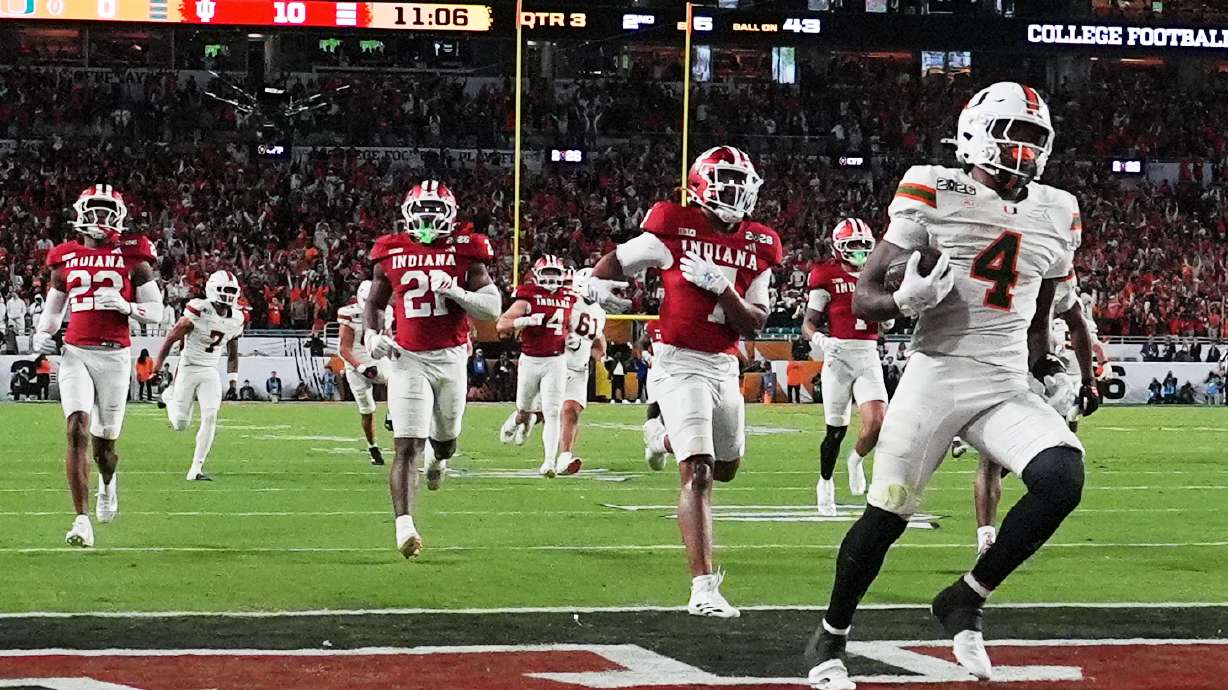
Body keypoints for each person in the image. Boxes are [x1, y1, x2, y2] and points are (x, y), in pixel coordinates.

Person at [806, 83, 1090, 688]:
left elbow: (1039, 311)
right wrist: (902, 301)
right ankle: (829, 638)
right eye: (1014, 131)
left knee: (1062, 478)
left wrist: (1048, 369)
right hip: (935, 374)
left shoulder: (1059, 208)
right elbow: (864, 295)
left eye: (1036, 137)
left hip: (1006, 381)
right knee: (888, 513)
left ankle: (965, 597)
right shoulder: (933, 186)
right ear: (974, 132)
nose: (1025, 148)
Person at [590, 145, 781, 618]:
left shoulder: (759, 243)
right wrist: (595, 288)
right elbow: (612, 265)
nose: (735, 192)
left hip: (724, 364)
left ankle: (661, 431)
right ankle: (703, 588)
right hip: (677, 361)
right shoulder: (671, 227)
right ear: (701, 187)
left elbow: (754, 323)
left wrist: (722, 287)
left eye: (741, 182)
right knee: (698, 472)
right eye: (726, 181)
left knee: (726, 468)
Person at [363, 180, 500, 558]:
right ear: (407, 214)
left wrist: (457, 292)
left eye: (434, 212)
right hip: (407, 358)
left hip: (451, 357)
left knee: (445, 439)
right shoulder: (388, 249)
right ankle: (404, 526)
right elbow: (375, 303)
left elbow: (492, 308)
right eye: (420, 211)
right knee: (407, 445)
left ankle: (440, 461)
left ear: (450, 216)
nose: (426, 219)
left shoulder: (467, 250)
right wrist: (372, 336)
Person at [31, 184, 163, 548]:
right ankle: (81, 520)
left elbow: (157, 312)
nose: (101, 218)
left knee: (105, 449)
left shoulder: (134, 257)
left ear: (119, 216)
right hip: (76, 353)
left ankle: (107, 483)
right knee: (76, 429)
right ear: (81, 212)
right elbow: (53, 311)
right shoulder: (65, 258)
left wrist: (126, 308)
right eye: (95, 210)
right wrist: (42, 334)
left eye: (108, 211)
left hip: (116, 357)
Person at [803, 218, 893, 517]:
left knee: (877, 422)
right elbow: (809, 322)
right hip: (839, 356)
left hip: (867, 355)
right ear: (839, 247)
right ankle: (825, 482)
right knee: (835, 430)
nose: (859, 253)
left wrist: (889, 315)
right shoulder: (825, 275)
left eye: (864, 246)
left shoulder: (876, 275)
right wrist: (820, 340)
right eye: (853, 246)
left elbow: (886, 318)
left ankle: (856, 459)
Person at [155, 271, 244, 481]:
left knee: (211, 415)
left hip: (209, 371)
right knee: (180, 423)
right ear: (213, 288)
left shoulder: (237, 318)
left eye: (232, 291)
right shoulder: (199, 310)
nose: (229, 295)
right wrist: (157, 366)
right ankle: (168, 396)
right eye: (225, 290)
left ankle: (196, 469)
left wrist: (233, 381)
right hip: (188, 367)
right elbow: (171, 338)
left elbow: (233, 351)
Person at [496, 255, 578, 477]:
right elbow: (501, 324)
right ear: (537, 274)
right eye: (547, 273)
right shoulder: (528, 296)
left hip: (556, 360)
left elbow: (572, 326)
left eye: (555, 274)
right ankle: (520, 418)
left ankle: (549, 462)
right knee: (523, 406)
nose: (551, 279)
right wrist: (522, 322)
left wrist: (573, 338)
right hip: (531, 360)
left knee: (552, 411)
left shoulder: (570, 298)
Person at [556, 268, 607, 476]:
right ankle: (521, 419)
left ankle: (564, 458)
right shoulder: (568, 301)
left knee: (571, 410)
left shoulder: (599, 312)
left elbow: (598, 338)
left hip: (578, 368)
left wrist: (600, 352)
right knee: (542, 411)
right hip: (555, 361)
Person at [337, 280, 392, 465]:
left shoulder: (387, 311)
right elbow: (344, 349)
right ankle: (373, 447)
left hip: (377, 358)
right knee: (367, 410)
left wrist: (395, 356)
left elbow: (388, 338)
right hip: (355, 365)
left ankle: (392, 414)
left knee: (396, 378)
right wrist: (361, 367)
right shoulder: (350, 315)